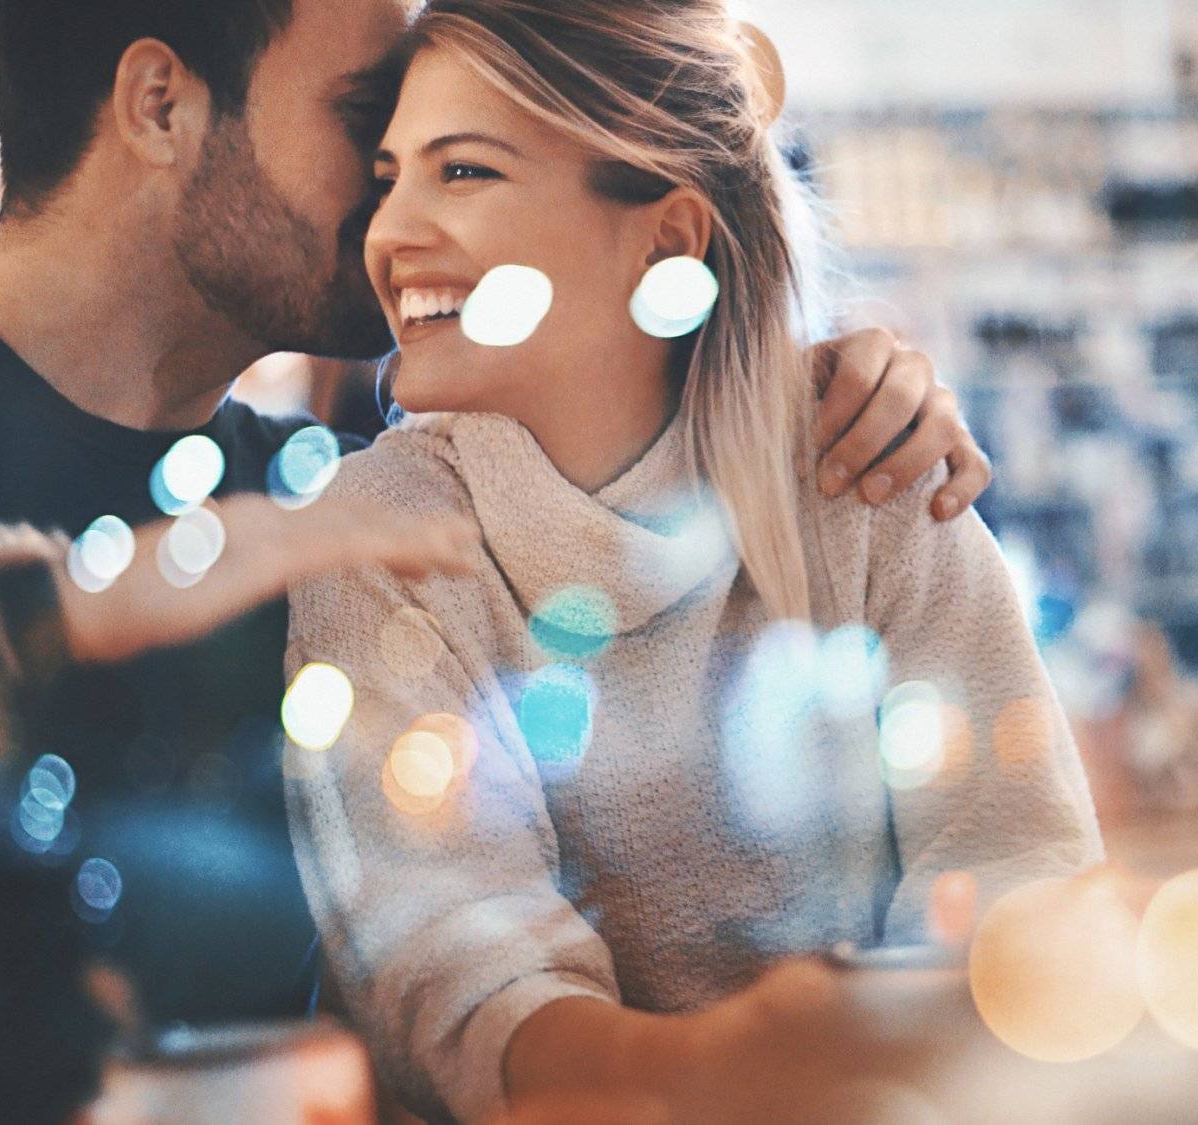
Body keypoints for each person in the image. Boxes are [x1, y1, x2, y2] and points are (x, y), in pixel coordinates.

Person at [0, 0, 986, 1116]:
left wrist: (820, 397)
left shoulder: (340, 500)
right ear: (162, 106)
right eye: (366, 123)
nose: (396, 183)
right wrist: (69, 610)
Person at [282, 2, 1105, 1122]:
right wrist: (738, 1071)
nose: (391, 232)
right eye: (388, 179)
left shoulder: (868, 477)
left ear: (665, 238)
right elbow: (454, 968)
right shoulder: (375, 536)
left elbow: (1021, 875)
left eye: (462, 172)